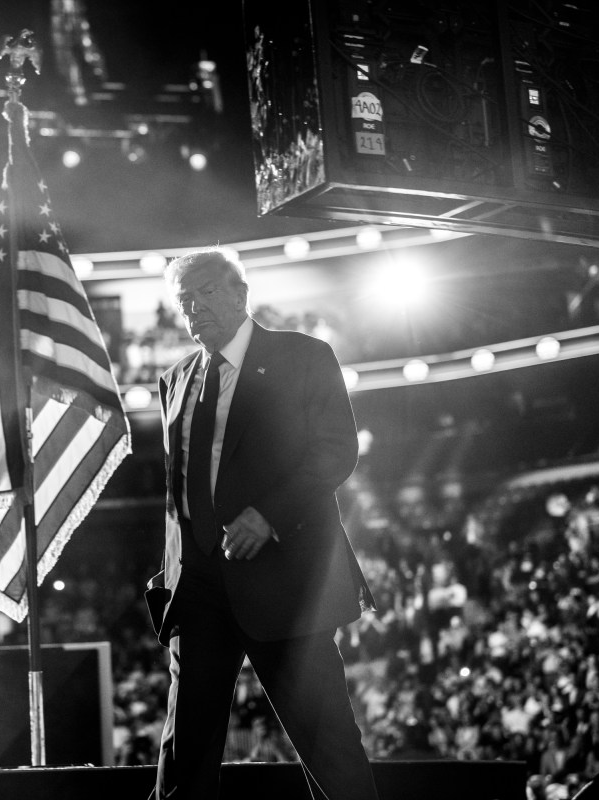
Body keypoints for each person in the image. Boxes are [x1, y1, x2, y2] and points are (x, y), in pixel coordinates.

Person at [144, 247, 379, 799]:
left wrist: (269, 516)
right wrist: (170, 575)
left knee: (329, 746)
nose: (194, 309)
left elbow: (336, 451)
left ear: (240, 293)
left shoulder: (304, 356)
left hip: (284, 580)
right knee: (184, 758)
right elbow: (180, 489)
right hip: (198, 586)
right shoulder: (174, 379)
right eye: (184, 302)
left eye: (205, 293)